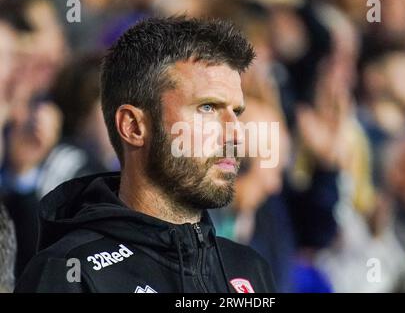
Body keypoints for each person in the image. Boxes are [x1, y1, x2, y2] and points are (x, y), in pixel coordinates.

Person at [15, 16, 276, 293]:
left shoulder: (249, 269)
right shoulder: (68, 273)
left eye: (236, 112)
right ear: (134, 126)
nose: (236, 135)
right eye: (208, 108)